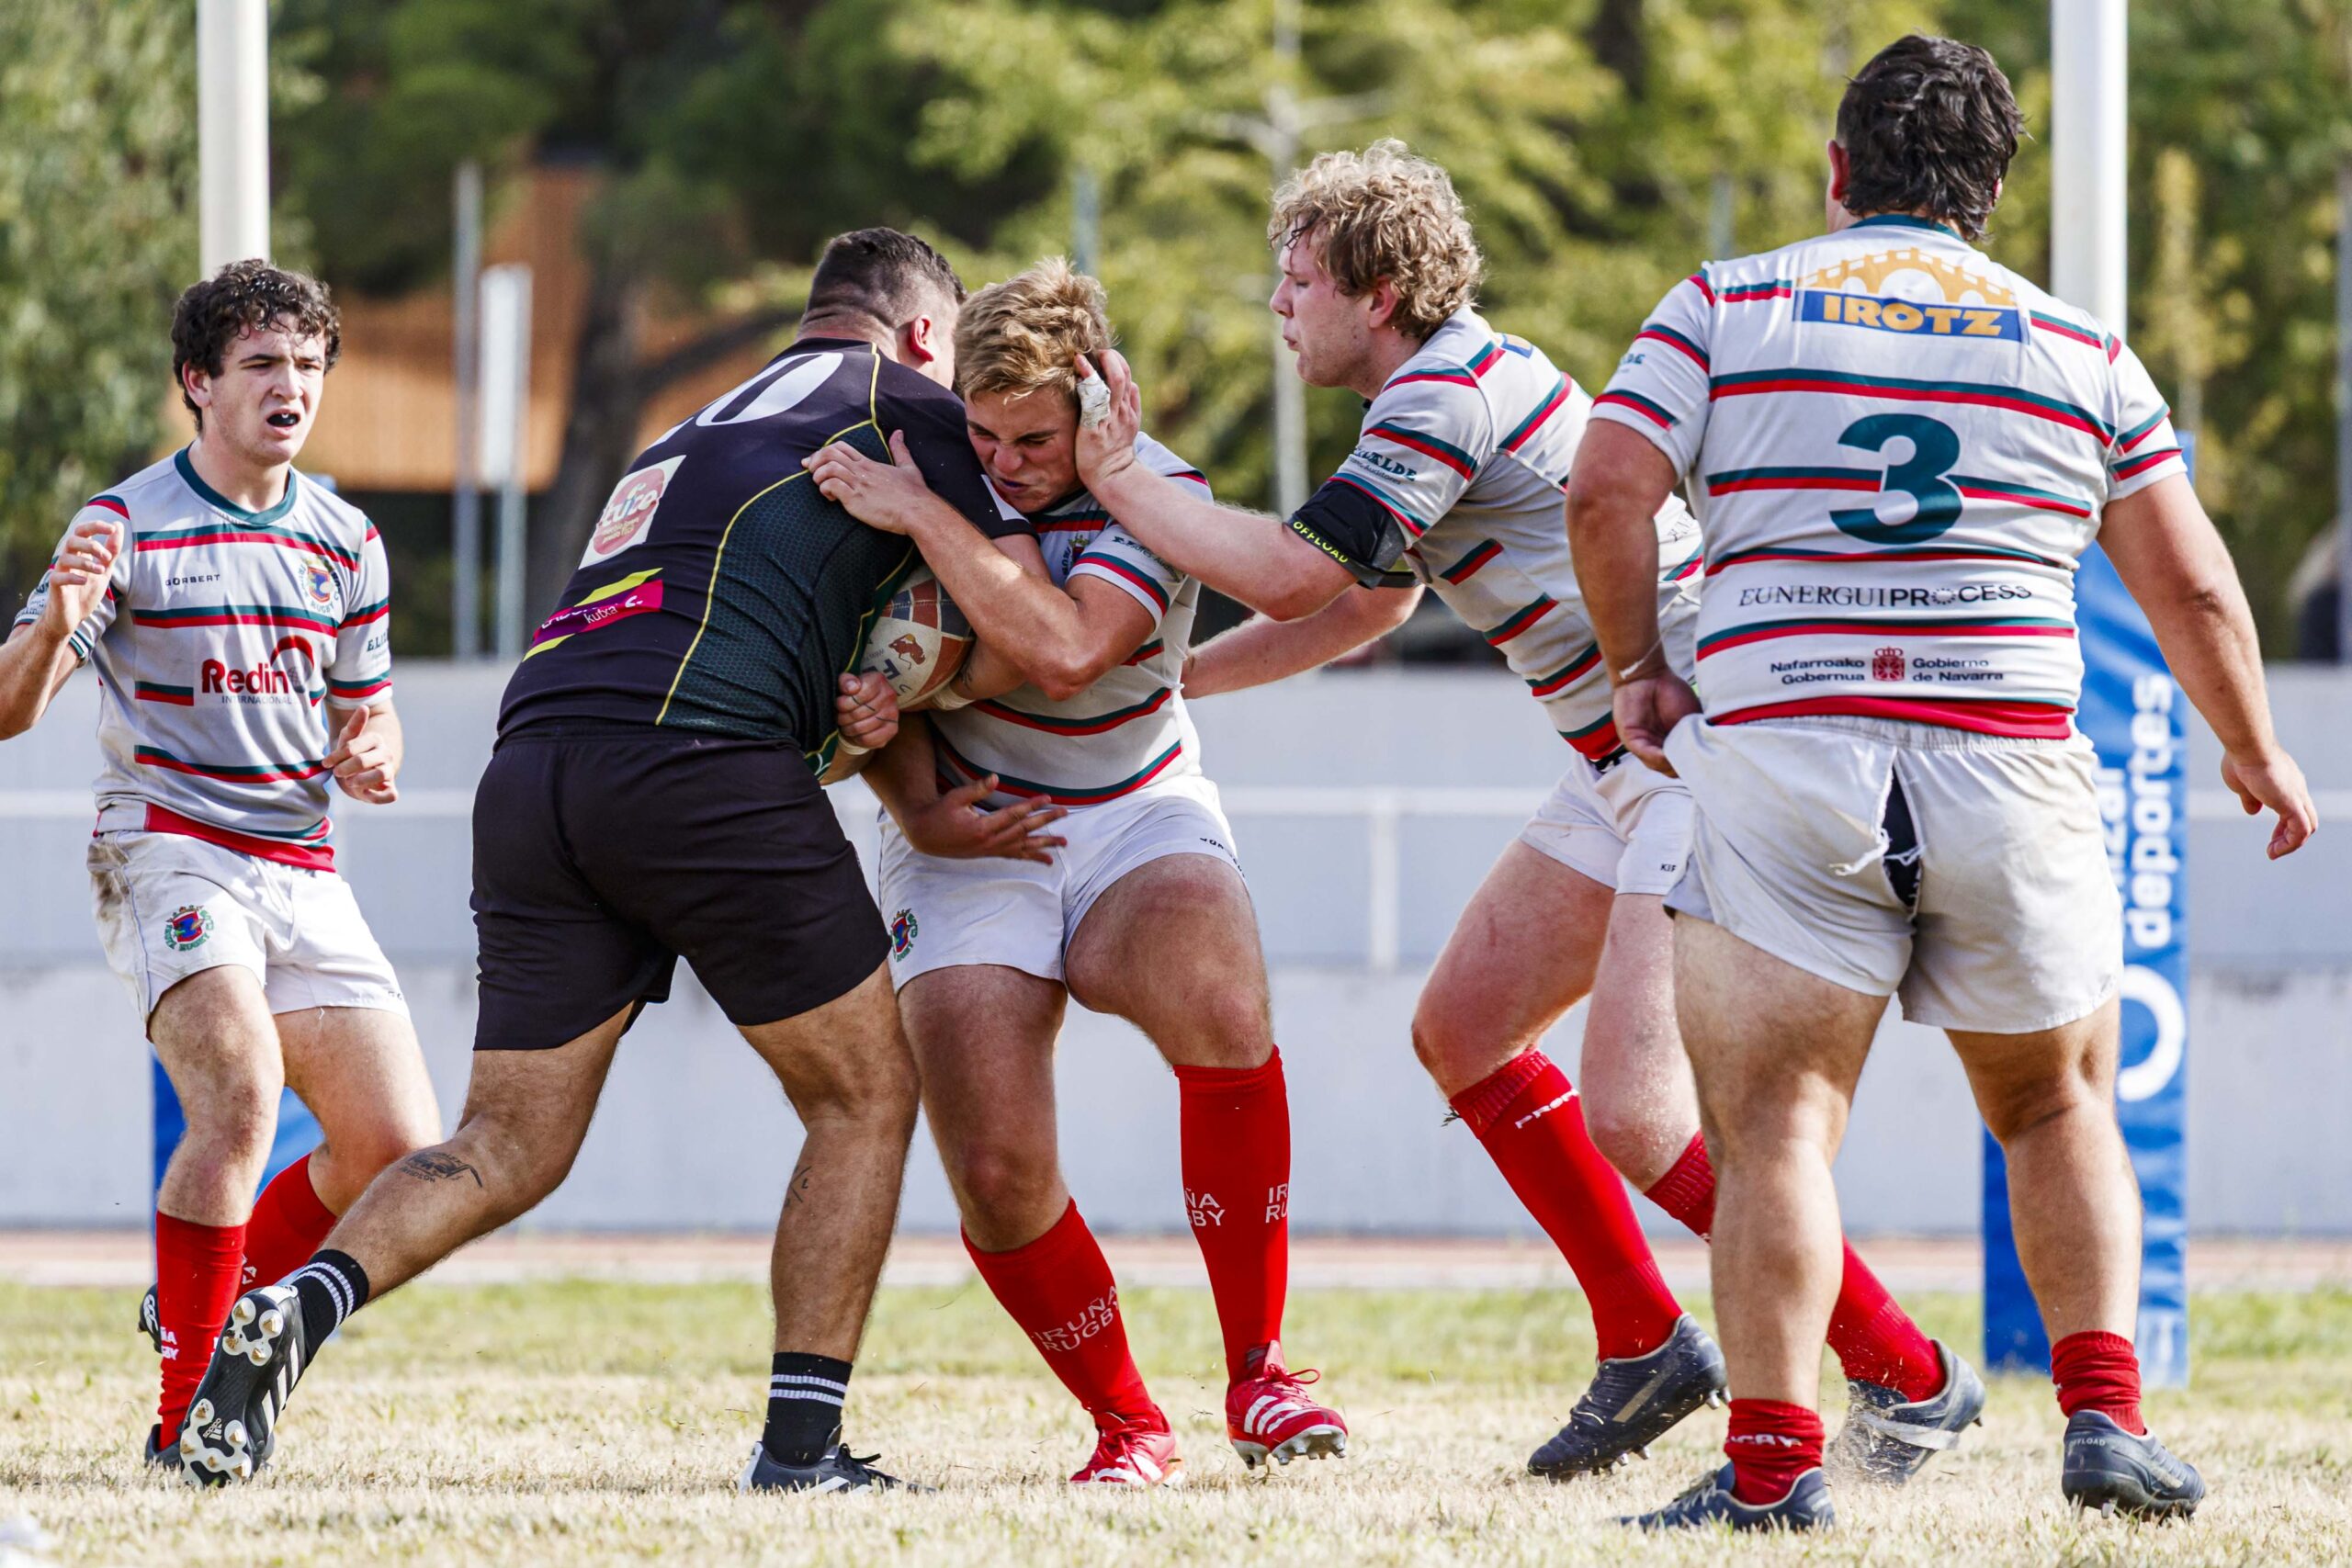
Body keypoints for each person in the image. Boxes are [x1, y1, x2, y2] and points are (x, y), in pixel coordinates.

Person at [1058, 141, 1977, 1483]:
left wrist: (1117, 479)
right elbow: (1365, 601)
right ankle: (1647, 1341)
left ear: (1376, 291)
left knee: (1636, 1112)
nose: (1280, 304)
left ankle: (1910, 1377)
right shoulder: (1434, 391)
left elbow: (1291, 572)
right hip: (1634, 755)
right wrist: (1178, 681)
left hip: (1699, 748)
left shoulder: (1442, 392)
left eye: (1297, 278)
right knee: (1467, 1032)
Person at [1569, 35, 2315, 1529]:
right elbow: (2196, 587)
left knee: (1775, 1122)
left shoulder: (1724, 303)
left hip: (1790, 747)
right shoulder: (2082, 349)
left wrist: (1639, 663)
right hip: (2010, 761)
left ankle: (1777, 1475)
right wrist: (2252, 743)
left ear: (1839, 174)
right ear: (1992, 195)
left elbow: (1606, 489)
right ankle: (2106, 1423)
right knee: (2054, 1103)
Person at [176, 228, 1030, 1494]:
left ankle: (302, 1306)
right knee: (862, 1096)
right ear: (920, 338)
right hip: (695, 763)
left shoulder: (687, 427)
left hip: (535, 771)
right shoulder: (908, 406)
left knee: (506, 1142)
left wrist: (858, 714)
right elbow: (1029, 591)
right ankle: (801, 1447)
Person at [802, 259, 1347, 1487]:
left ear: (1103, 404)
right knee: (992, 1167)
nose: (1005, 462)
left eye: (1035, 436)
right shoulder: (920, 472)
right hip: (971, 836)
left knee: (1222, 1000)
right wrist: (918, 802)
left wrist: (925, 514)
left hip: (1134, 806)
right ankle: (1128, 1425)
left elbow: (1066, 651)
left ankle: (1260, 1373)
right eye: (982, 434)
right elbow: (858, 708)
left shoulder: (1158, 494)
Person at [0, 261, 440, 1469]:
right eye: (260, 364)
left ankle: (219, 1289)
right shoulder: (125, 522)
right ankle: (187, 1414)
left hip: (301, 861)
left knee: (400, 1148)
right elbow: (6, 708)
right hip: (167, 845)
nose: (289, 385)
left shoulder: (348, 538)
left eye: (306, 364)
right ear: (197, 384)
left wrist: (373, 746)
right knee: (241, 1100)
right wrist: (49, 627)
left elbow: (374, 710)